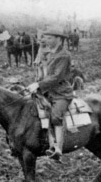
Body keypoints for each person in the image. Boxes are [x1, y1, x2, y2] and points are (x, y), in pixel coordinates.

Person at [27, 32, 73, 160]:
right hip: (47, 91)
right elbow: (44, 72)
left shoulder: (64, 55)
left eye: (49, 38)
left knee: (56, 116)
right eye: (45, 37)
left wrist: (38, 84)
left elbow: (56, 77)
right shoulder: (48, 53)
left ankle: (58, 148)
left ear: (59, 39)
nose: (45, 40)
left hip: (61, 93)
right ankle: (46, 141)